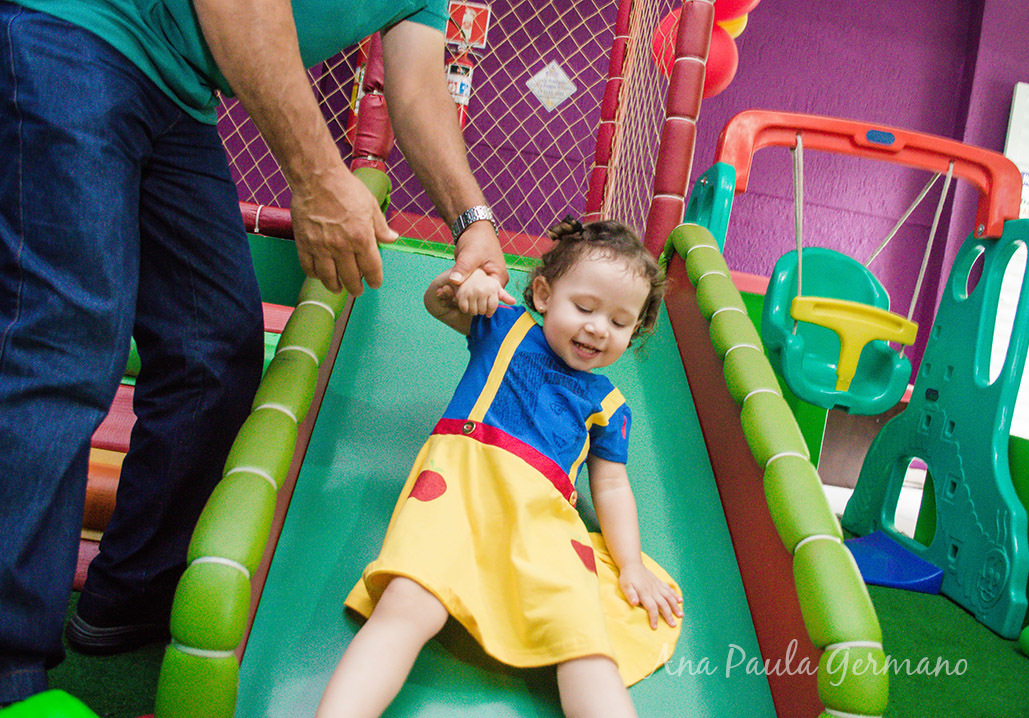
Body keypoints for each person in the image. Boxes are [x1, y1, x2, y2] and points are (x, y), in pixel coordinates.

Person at [0, 0, 508, 705]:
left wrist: (471, 219)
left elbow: (418, 84)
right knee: (65, 343)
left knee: (215, 351)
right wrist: (319, 177)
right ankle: (9, 666)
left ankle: (128, 605)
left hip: (176, 86)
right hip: (76, 32)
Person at [317, 219, 684, 718]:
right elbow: (439, 303)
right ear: (543, 294)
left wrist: (632, 563)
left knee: (585, 640)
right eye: (584, 307)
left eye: (620, 323)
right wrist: (468, 288)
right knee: (408, 604)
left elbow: (613, 486)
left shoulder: (610, 403)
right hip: (458, 492)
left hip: (542, 517)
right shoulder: (506, 328)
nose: (599, 328)